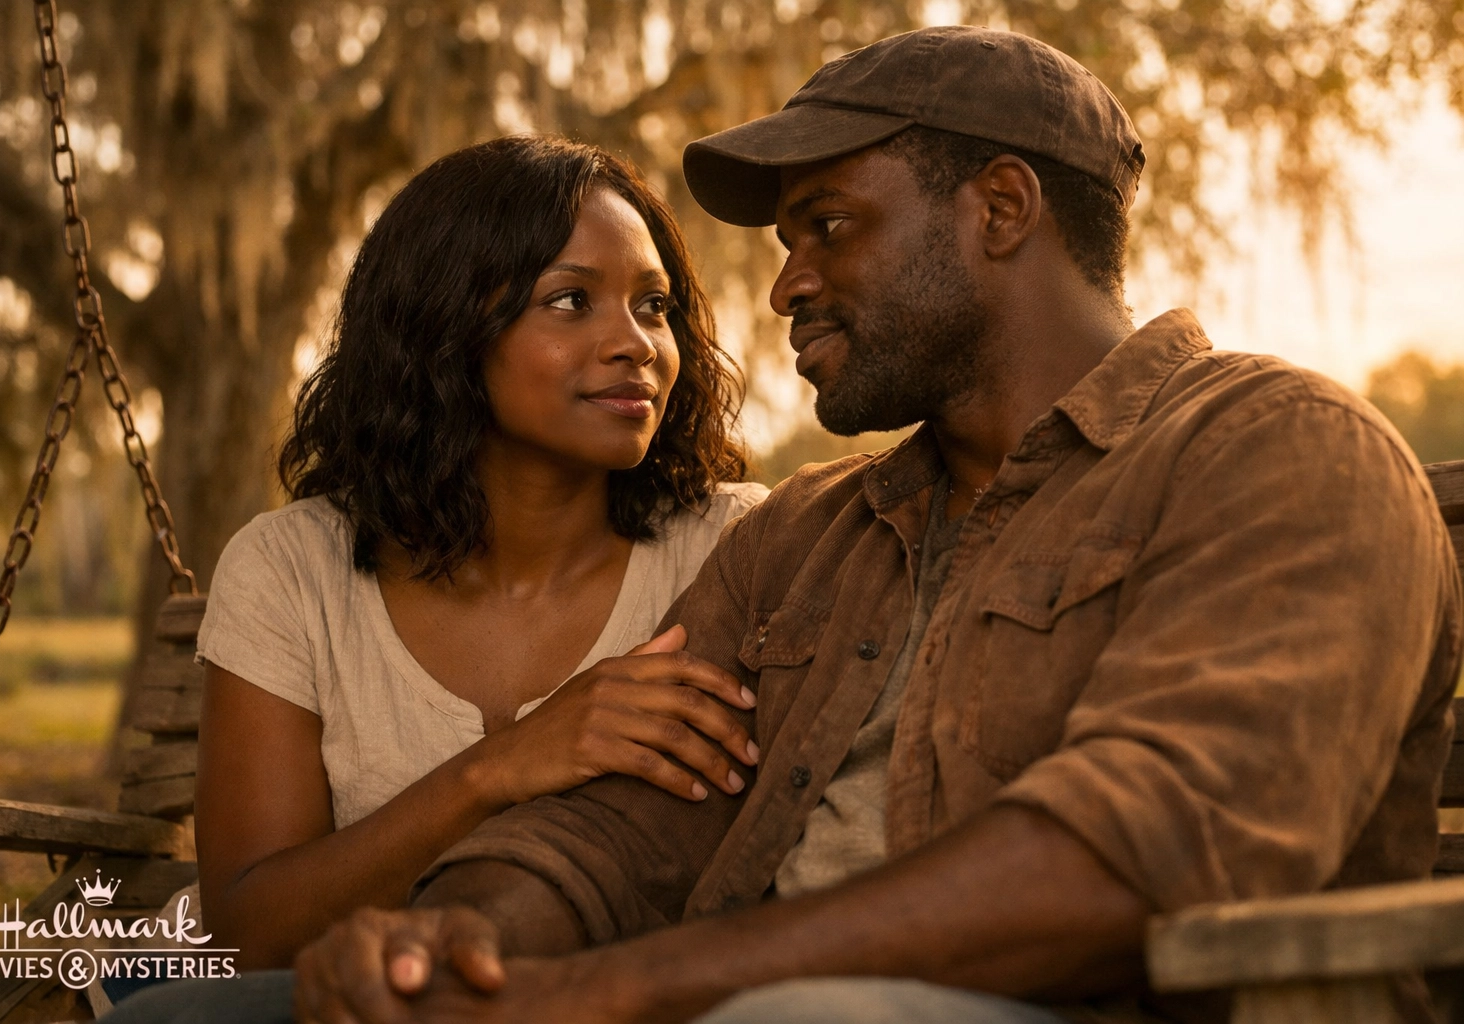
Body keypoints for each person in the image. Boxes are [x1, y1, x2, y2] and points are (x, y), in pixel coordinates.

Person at [111, 26, 1461, 1024]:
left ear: (1001, 210)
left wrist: (613, 991)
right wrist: (451, 951)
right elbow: (613, 835)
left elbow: (1134, 855)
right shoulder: (807, 540)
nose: (780, 291)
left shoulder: (1276, 457)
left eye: (827, 228)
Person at [161, 135, 767, 977]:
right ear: (445, 328)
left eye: (654, 306)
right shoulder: (292, 569)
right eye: (571, 300)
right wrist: (502, 768)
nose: (637, 343)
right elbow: (245, 933)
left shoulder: (732, 547)